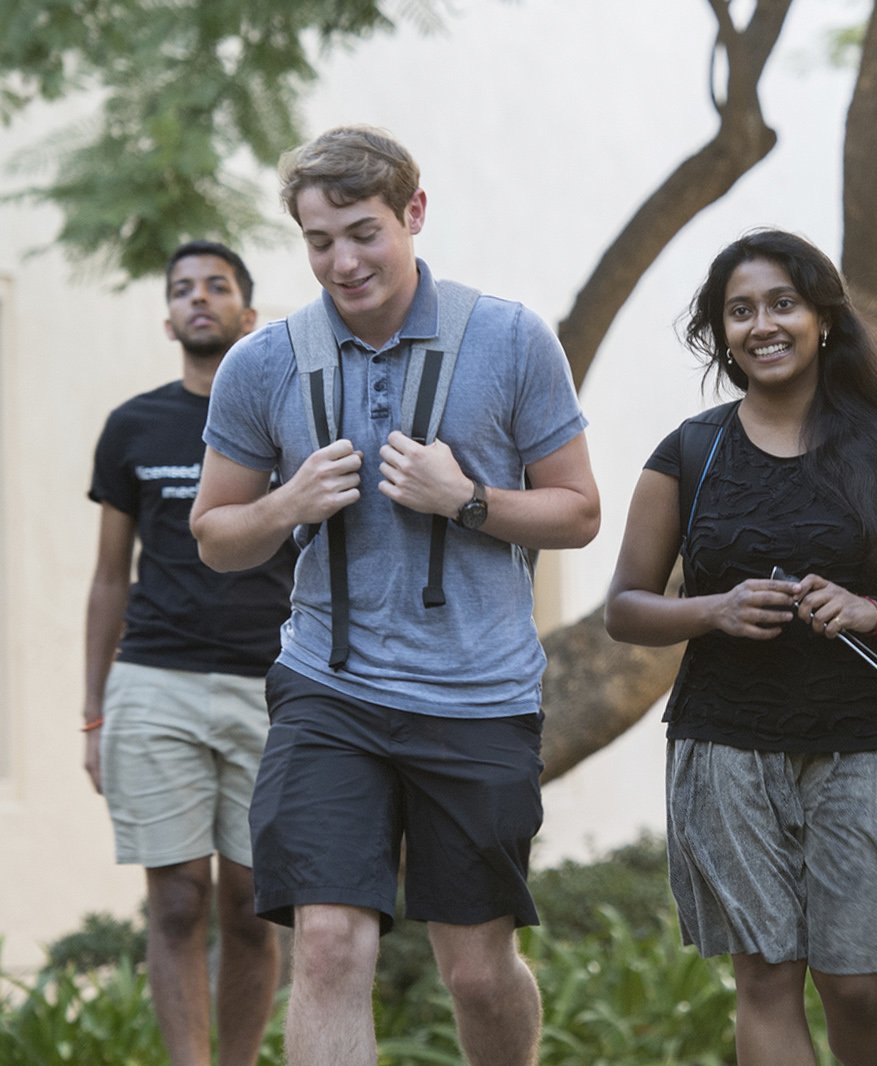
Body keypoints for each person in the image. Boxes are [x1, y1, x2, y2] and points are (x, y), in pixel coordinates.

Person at [191, 125, 601, 1066]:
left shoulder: (509, 338)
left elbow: (579, 513)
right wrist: (288, 503)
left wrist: (469, 500)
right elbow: (215, 536)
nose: (342, 261)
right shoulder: (265, 363)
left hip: (479, 697)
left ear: (413, 214)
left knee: (475, 969)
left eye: (363, 232)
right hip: (328, 694)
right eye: (318, 240)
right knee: (328, 946)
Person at [605, 229, 877, 1066]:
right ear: (722, 332)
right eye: (740, 311)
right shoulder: (691, 452)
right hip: (725, 744)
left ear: (822, 320)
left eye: (782, 303)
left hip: (863, 746)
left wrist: (869, 611)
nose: (762, 325)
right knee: (767, 976)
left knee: (853, 980)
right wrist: (715, 610)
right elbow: (624, 610)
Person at [83, 240, 291, 1066]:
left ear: (248, 312)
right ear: (166, 316)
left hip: (269, 687)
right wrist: (93, 712)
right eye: (182, 289)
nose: (198, 299)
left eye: (217, 286)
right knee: (174, 903)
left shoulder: (288, 421)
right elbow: (107, 580)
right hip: (154, 681)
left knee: (249, 905)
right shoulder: (132, 426)